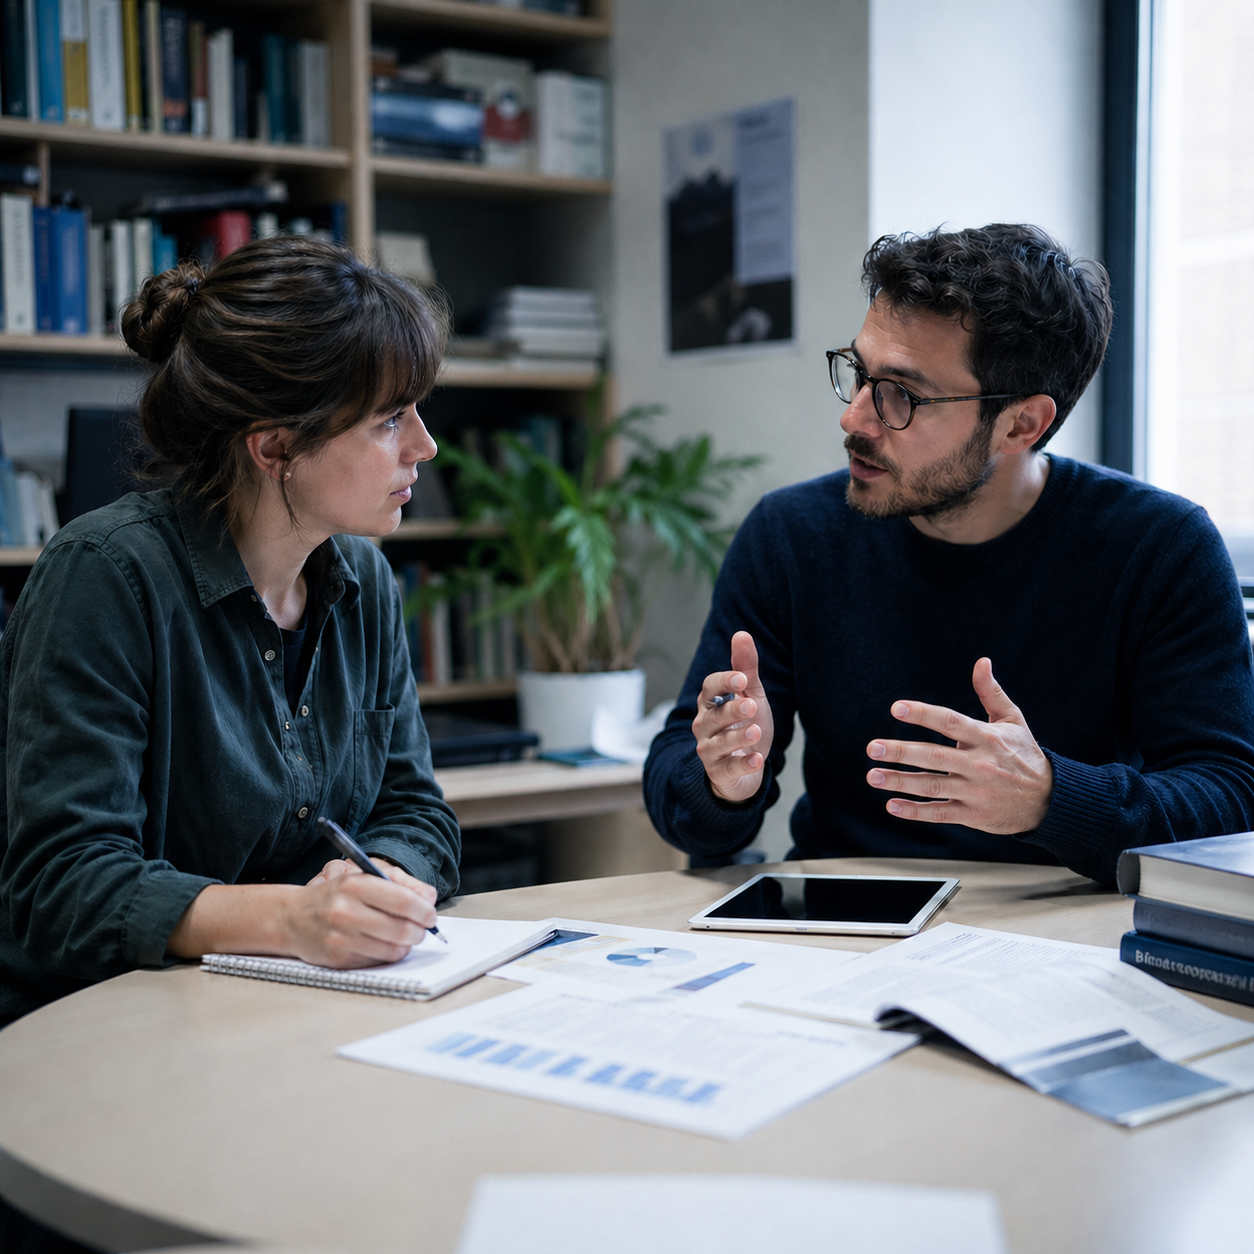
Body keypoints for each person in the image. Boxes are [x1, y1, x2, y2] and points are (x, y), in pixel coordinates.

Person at [644, 223, 1254, 885]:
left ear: (1021, 424)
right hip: (837, 923)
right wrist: (721, 781)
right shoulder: (791, 535)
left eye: (902, 395)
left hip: (1062, 930)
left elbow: (1231, 798)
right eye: (860, 373)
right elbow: (681, 777)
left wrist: (1052, 796)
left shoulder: (1158, 547)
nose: (855, 419)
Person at [0, 236, 461, 1036]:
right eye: (390, 420)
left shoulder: (365, 582)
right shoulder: (105, 575)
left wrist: (378, 889)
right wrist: (294, 920)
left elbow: (415, 809)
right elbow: (62, 885)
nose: (425, 445)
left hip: (287, 1011)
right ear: (275, 446)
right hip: (93, 1030)